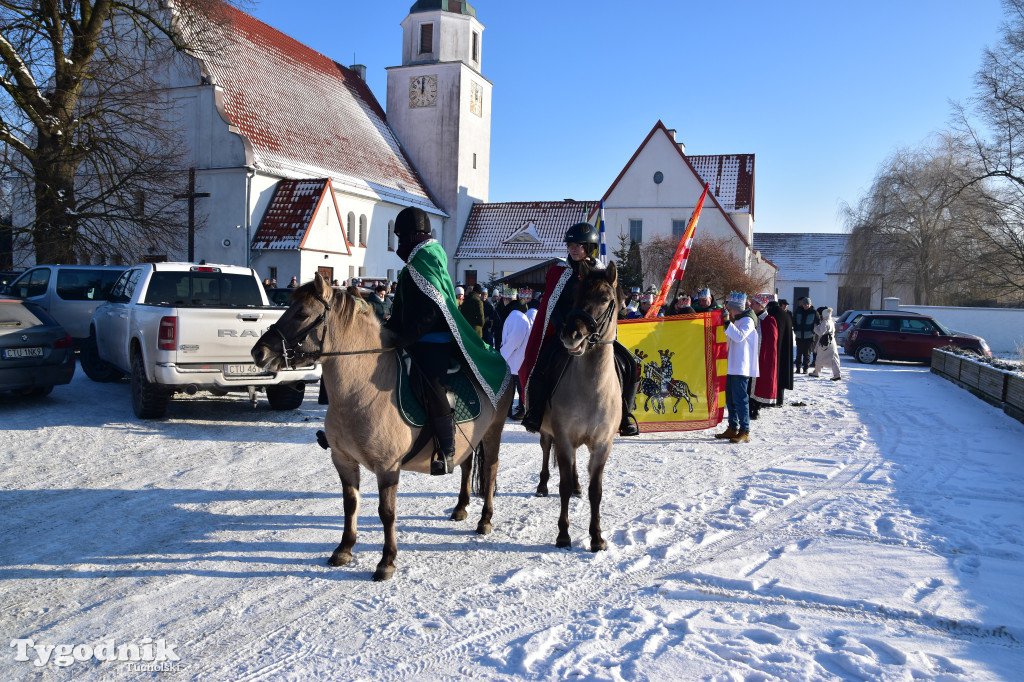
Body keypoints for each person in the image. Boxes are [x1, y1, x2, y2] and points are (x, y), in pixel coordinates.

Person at [384, 207, 509, 475]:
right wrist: (385, 333)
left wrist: (406, 338)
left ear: (414, 236)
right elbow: (401, 312)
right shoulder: (410, 268)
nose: (400, 244)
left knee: (433, 383)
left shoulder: (428, 258)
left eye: (402, 237)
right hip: (408, 339)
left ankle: (447, 448)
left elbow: (431, 312)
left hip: (432, 340)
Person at [519, 222, 640, 437]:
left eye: (579, 245)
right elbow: (551, 305)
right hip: (567, 332)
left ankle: (625, 415)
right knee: (541, 367)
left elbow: (615, 305)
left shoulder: (603, 273)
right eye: (571, 245)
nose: (573, 249)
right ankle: (535, 413)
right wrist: (562, 328)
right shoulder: (559, 273)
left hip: (598, 335)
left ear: (589, 247)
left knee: (629, 365)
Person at [716, 292, 759, 443]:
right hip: (732, 365)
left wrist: (727, 321)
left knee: (740, 399)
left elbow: (739, 336)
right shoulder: (740, 320)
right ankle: (733, 427)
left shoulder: (747, 320)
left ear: (736, 308)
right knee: (731, 399)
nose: (730, 310)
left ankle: (744, 430)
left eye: (731, 308)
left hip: (741, 365)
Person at [500, 289, 531, 420]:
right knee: (515, 386)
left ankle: (522, 409)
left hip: (515, 359)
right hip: (516, 359)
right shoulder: (517, 315)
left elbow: (514, 340)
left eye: (505, 299)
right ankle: (512, 408)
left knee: (516, 387)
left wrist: (502, 356)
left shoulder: (516, 316)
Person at [748, 294, 778, 420]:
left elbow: (771, 340)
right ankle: (750, 407)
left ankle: (756, 407)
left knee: (760, 382)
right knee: (749, 384)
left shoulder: (769, 320)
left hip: (762, 356)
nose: (751, 305)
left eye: (753, 304)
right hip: (751, 355)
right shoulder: (751, 318)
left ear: (760, 305)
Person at [767, 299, 794, 406]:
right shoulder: (786, 314)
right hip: (785, 349)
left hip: (776, 349)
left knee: (775, 374)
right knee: (782, 375)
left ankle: (773, 399)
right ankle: (780, 400)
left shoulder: (773, 315)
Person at [809, 306, 842, 380]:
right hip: (831, 342)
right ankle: (837, 374)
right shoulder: (831, 321)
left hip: (824, 343)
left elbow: (821, 332)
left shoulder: (825, 322)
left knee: (819, 357)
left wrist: (815, 327)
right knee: (834, 359)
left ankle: (816, 372)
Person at [793, 297, 818, 374]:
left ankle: (805, 368)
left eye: (807, 304)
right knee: (798, 353)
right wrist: (795, 330)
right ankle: (798, 368)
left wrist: (813, 331)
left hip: (809, 336)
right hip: (799, 335)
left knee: (807, 354)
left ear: (810, 304)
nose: (806, 305)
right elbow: (794, 321)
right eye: (804, 304)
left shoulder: (814, 312)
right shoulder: (798, 311)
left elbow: (817, 322)